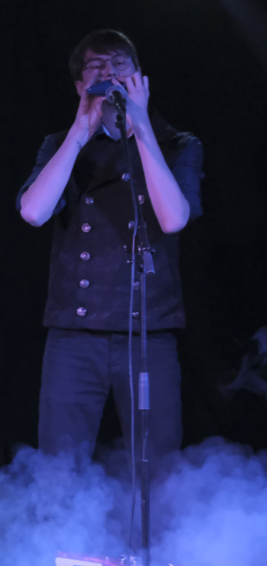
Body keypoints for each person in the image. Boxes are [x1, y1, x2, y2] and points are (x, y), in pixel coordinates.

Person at [17, 30, 203, 461]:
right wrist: (79, 133)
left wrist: (140, 127)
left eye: (119, 64)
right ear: (81, 86)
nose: (109, 74)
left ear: (140, 78)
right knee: (60, 469)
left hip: (147, 333)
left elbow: (173, 218)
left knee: (156, 469)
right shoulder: (60, 145)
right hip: (74, 337)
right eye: (96, 67)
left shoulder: (178, 145)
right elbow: (33, 212)